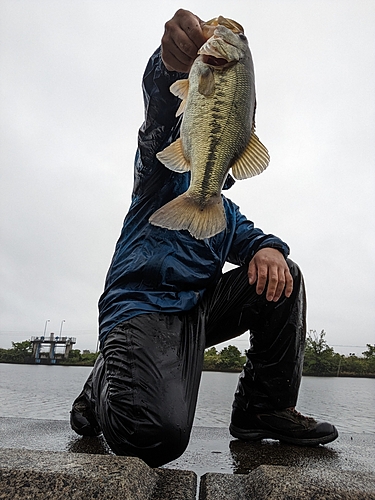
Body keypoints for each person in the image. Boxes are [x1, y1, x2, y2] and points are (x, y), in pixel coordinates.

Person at [70, 9, 338, 467]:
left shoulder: (222, 212)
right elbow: (157, 116)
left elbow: (253, 237)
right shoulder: (157, 174)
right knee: (154, 435)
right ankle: (101, 387)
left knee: (283, 275)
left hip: (194, 314)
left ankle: (263, 408)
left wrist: (267, 247)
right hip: (140, 309)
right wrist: (169, 66)